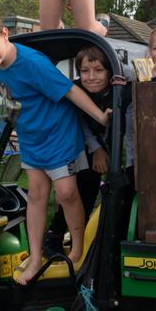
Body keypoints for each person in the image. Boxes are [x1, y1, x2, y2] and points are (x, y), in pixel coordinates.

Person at [0, 10, 110, 286]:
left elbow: (69, 91)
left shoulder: (31, 62)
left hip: (58, 134)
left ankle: (77, 250)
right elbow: (12, 98)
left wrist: (100, 117)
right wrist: (14, 125)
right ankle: (36, 256)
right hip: (32, 138)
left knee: (66, 193)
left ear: (4, 35)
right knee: (37, 195)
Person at [45, 45, 134, 255]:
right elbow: (79, 122)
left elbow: (126, 129)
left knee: (121, 188)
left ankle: (112, 234)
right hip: (85, 142)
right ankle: (57, 234)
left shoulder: (122, 91)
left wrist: (114, 156)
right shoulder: (77, 91)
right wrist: (96, 150)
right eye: (85, 71)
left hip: (119, 143)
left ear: (111, 71)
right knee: (83, 185)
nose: (91, 77)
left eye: (99, 70)